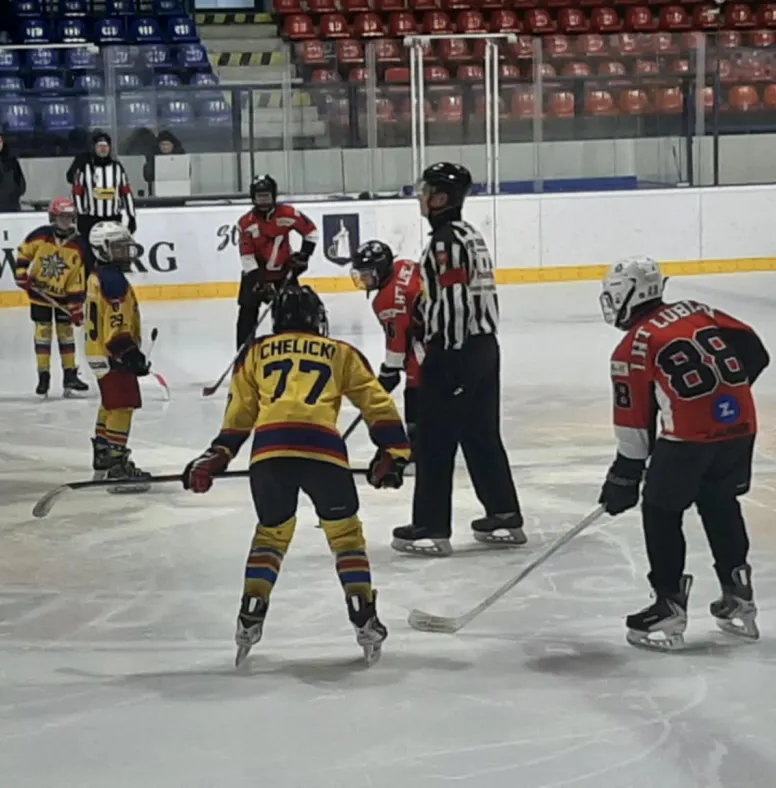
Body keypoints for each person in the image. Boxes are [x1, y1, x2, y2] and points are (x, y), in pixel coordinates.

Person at [181, 285, 411, 666]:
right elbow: (376, 402)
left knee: (271, 534)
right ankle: (363, 616)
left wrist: (216, 456)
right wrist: (394, 453)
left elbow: (240, 414)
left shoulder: (255, 352)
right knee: (345, 535)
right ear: (317, 319)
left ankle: (250, 612)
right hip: (324, 452)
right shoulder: (340, 352)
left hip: (269, 455)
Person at [596, 257, 770, 651]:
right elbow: (755, 350)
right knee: (719, 500)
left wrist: (624, 477)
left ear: (628, 294)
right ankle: (739, 595)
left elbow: (634, 427)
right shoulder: (697, 309)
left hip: (689, 438)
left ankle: (668, 604)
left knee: (660, 509)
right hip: (740, 425)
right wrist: (721, 397)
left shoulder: (632, 347)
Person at [391, 161, 523, 558]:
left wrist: (446, 354)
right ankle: (504, 513)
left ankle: (431, 526)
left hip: (456, 350)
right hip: (484, 349)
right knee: (481, 436)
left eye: (427, 191)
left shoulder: (445, 242)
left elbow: (455, 302)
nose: (421, 197)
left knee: (434, 440)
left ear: (442, 198)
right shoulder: (469, 233)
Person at [83, 221, 153, 493]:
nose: (126, 251)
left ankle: (103, 453)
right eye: (118, 247)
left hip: (97, 352)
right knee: (123, 406)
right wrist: (129, 354)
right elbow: (115, 325)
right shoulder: (113, 282)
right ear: (103, 249)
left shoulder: (98, 275)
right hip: (113, 354)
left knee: (110, 404)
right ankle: (116, 464)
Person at [13, 197, 91, 398]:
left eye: (69, 217)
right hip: (39, 295)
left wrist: (75, 307)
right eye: (62, 217)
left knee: (66, 334)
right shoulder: (41, 236)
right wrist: (21, 273)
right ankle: (43, 375)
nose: (66, 221)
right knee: (43, 333)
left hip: (63, 298)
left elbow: (77, 278)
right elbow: (24, 252)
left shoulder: (79, 245)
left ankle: (70, 375)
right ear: (53, 218)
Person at [349, 239, 423, 445]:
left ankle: (418, 449)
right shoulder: (402, 265)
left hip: (424, 356)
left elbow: (396, 355)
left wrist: (383, 380)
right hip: (445, 339)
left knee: (415, 401)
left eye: (366, 273)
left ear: (380, 270)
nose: (363, 279)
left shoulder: (386, 301)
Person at [234, 174, 318, 349]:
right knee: (247, 314)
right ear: (253, 198)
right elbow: (247, 256)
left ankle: (291, 350)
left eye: (266, 196)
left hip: (284, 272)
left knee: (292, 315)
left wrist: (303, 256)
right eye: (259, 197)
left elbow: (311, 232)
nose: (263, 201)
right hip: (256, 275)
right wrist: (259, 281)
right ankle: (244, 353)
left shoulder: (288, 213)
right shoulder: (245, 223)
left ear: (274, 195)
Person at [68, 131, 138, 261]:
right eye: (99, 146)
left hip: (113, 218)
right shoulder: (84, 167)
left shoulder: (117, 168)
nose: (103, 149)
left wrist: (132, 216)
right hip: (91, 219)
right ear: (94, 148)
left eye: (105, 146)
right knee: (89, 255)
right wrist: (80, 215)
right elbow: (77, 192)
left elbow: (126, 192)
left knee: (114, 254)